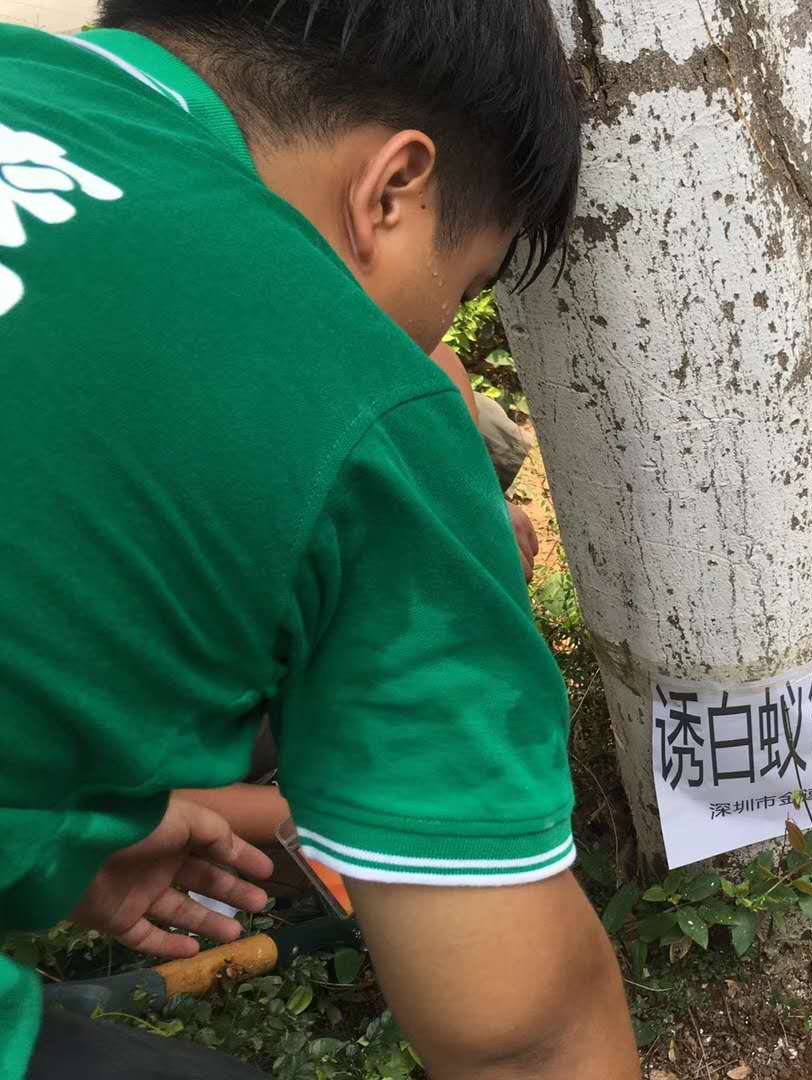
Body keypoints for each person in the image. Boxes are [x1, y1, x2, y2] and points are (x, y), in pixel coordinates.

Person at [0, 3, 639, 1078]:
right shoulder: (358, 397)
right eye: (463, 287)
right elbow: (526, 1035)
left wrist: (44, 833)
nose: (438, 332)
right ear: (394, 189)